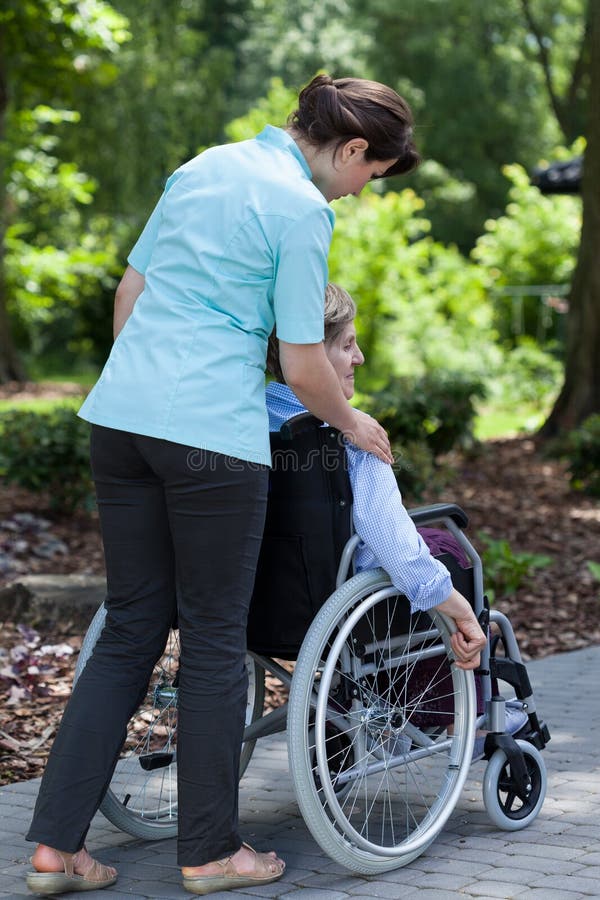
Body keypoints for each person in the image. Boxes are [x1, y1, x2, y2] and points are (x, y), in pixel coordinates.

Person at [25, 74, 421, 897]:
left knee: (132, 625)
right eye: (370, 176)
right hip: (210, 438)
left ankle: (56, 849)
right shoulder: (303, 208)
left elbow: (131, 292)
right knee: (213, 638)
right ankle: (210, 852)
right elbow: (304, 364)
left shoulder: (203, 167)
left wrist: (151, 385)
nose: (361, 191)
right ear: (351, 149)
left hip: (120, 422)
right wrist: (354, 425)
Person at [266, 283, 489, 669]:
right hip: (345, 605)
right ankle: (473, 707)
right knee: (448, 548)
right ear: (314, 356)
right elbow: (392, 542)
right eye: (348, 345)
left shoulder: (243, 421)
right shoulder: (353, 435)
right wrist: (459, 607)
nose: (360, 357)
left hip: (260, 608)